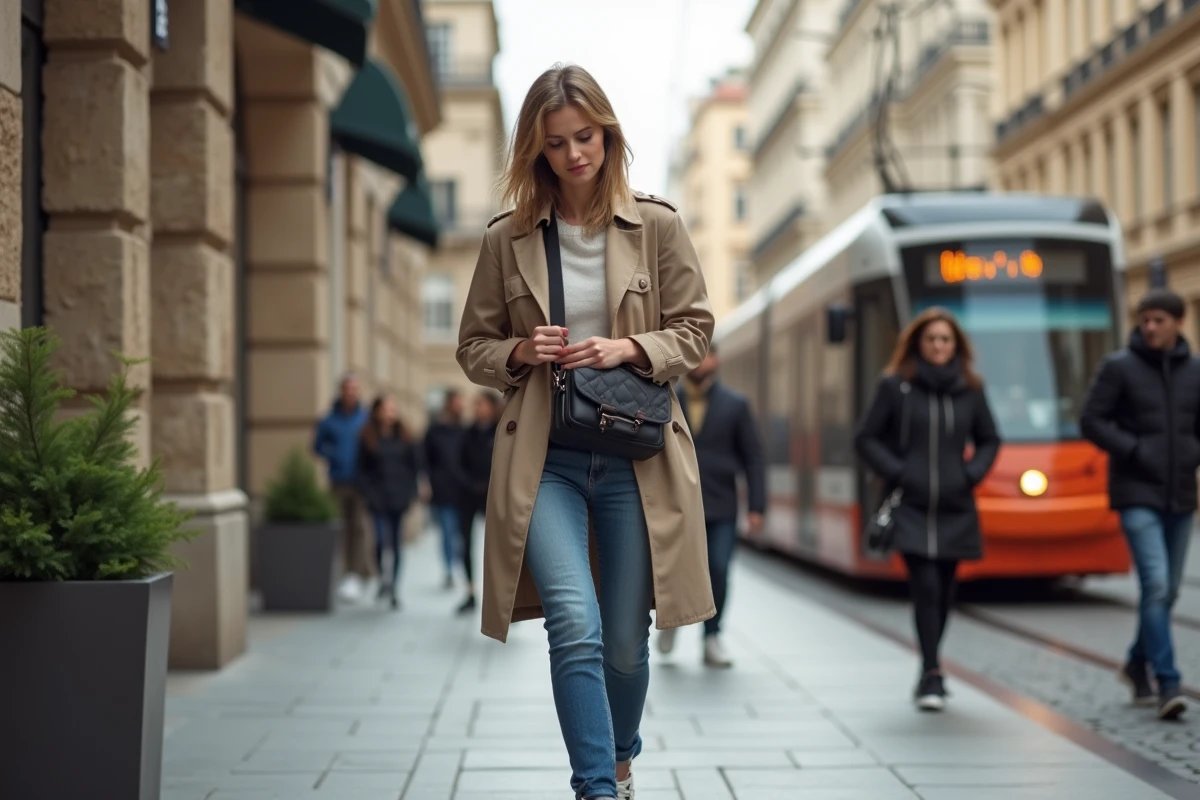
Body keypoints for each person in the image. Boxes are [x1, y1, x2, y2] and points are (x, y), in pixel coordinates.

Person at [456, 63, 715, 800]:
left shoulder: (657, 225)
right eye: (558, 143)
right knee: (575, 623)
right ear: (536, 150)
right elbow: (473, 347)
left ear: (607, 133)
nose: (576, 154)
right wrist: (517, 351)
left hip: (638, 458)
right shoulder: (508, 240)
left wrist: (630, 348)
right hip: (547, 460)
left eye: (587, 136)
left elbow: (695, 330)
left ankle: (622, 754)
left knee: (627, 647)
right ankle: (597, 788)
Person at [854, 307, 1000, 712]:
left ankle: (931, 667)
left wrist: (970, 474)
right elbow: (866, 437)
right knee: (926, 587)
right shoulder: (896, 386)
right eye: (932, 339)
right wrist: (900, 472)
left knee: (946, 591)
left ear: (956, 346)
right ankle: (931, 671)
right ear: (918, 343)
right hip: (912, 506)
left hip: (955, 505)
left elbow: (990, 439)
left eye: (945, 339)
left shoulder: (971, 388)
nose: (938, 345)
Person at [1080, 288, 1200, 721]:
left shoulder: (1196, 371)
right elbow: (1090, 420)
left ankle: (1135, 663)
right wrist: (1134, 450)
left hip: (1181, 494)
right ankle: (1168, 681)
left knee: (1165, 592)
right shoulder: (1119, 367)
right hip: (1136, 493)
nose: (1150, 327)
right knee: (1155, 583)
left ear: (1178, 324)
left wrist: (1190, 455)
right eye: (1145, 319)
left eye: (1159, 320)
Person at [656, 343, 765, 668]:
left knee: (718, 567)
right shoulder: (666, 398)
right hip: (677, 504)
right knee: (673, 570)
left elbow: (754, 459)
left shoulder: (736, 404)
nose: (702, 361)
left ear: (716, 359)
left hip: (721, 505)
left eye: (708, 354)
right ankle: (672, 621)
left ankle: (712, 636)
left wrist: (757, 507)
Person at [356, 394, 421, 611]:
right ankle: (382, 577)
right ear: (376, 412)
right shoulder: (367, 437)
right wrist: (369, 494)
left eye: (393, 409)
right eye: (386, 409)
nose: (390, 413)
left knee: (396, 544)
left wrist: (410, 493)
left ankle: (393, 587)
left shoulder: (405, 437)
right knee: (378, 542)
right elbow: (361, 470)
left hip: (399, 498)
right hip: (377, 498)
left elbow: (414, 468)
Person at [313, 373, 373, 602]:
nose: (351, 392)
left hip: (360, 482)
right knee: (340, 527)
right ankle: (344, 572)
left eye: (354, 388)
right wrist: (334, 455)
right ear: (341, 391)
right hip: (338, 480)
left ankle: (356, 574)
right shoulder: (329, 420)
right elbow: (317, 446)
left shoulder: (365, 419)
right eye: (347, 388)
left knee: (358, 528)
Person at [455, 391, 501, 615]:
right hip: (468, 496)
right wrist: (470, 483)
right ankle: (471, 592)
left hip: (493, 496)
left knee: (498, 547)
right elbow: (457, 464)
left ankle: (502, 598)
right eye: (476, 405)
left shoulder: (502, 431)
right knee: (465, 544)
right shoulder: (467, 433)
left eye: (482, 404)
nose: (479, 409)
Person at [423, 390, 467, 589]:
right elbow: (425, 459)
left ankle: (460, 564)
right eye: (457, 402)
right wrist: (426, 482)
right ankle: (449, 569)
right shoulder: (434, 431)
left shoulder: (465, 430)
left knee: (461, 532)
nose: (460, 406)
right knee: (447, 531)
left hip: (463, 489)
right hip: (442, 488)